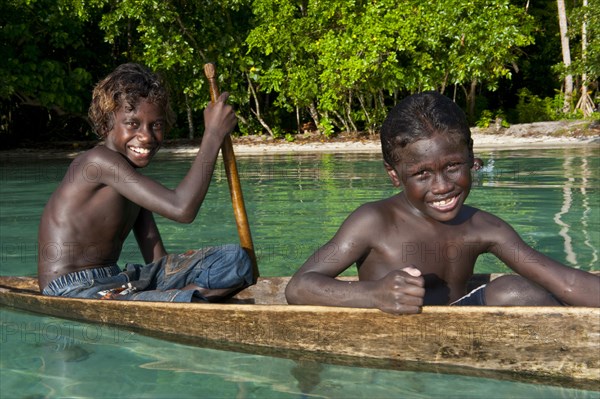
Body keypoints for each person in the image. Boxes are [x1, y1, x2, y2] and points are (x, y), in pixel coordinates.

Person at [285, 91, 600, 314]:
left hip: (460, 333)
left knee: (516, 290)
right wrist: (375, 294)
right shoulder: (374, 222)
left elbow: (566, 282)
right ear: (395, 175)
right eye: (421, 174)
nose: (442, 187)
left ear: (471, 158)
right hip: (394, 336)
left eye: (453, 166)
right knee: (513, 290)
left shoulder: (484, 227)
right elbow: (299, 287)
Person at [38, 63, 253, 302]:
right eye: (132, 124)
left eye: (156, 125)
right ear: (106, 124)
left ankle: (176, 297)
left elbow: (158, 260)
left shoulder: (132, 180)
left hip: (117, 280)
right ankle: (178, 299)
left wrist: (186, 273)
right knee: (231, 268)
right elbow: (182, 209)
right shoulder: (97, 162)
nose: (146, 136)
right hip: (72, 288)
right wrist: (212, 135)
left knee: (236, 260)